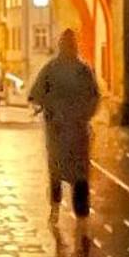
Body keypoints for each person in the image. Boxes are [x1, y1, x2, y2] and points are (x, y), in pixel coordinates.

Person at [27, 31, 102, 223]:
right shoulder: (84, 70)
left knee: (56, 170)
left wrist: (43, 104)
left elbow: (35, 94)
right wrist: (85, 114)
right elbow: (95, 96)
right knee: (80, 174)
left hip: (57, 129)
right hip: (77, 130)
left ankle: (55, 207)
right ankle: (82, 215)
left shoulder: (51, 68)